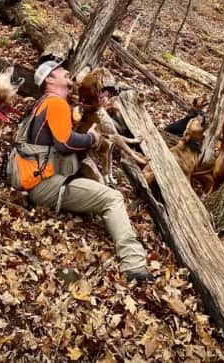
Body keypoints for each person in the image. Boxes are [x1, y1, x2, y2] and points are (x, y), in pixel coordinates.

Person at [19, 60, 153, 283]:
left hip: (41, 179)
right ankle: (135, 265)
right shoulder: (55, 104)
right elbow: (65, 143)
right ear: (50, 79)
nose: (66, 72)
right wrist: (92, 137)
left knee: (98, 187)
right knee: (113, 198)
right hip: (45, 185)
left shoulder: (45, 103)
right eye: (60, 70)